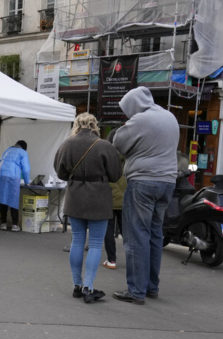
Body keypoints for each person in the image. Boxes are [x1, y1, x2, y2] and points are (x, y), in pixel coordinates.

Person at [112, 86, 179, 305]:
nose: (127, 115)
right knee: (154, 235)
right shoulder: (170, 117)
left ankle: (136, 290)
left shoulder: (140, 120)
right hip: (167, 182)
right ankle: (151, 286)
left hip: (143, 181)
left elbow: (117, 143)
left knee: (136, 235)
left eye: (127, 109)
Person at [54, 113, 122, 304]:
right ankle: (88, 287)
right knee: (95, 243)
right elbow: (116, 174)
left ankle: (76, 285)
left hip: (75, 197)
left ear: (77, 125)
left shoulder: (66, 144)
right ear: (94, 125)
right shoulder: (104, 146)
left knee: (77, 240)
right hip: (98, 198)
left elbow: (60, 173)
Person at [0, 140, 30, 231]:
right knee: (13, 199)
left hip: (0, 175)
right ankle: (14, 225)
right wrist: (27, 182)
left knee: (3, 198)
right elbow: (26, 169)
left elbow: (0, 163)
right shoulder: (23, 153)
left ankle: (3, 224)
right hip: (12, 176)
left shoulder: (8, 150)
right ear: (24, 148)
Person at [102, 174, 127, 269]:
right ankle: (132, 259)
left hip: (109, 200)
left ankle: (111, 260)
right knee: (126, 232)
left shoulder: (108, 162)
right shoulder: (126, 161)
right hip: (124, 199)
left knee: (108, 230)